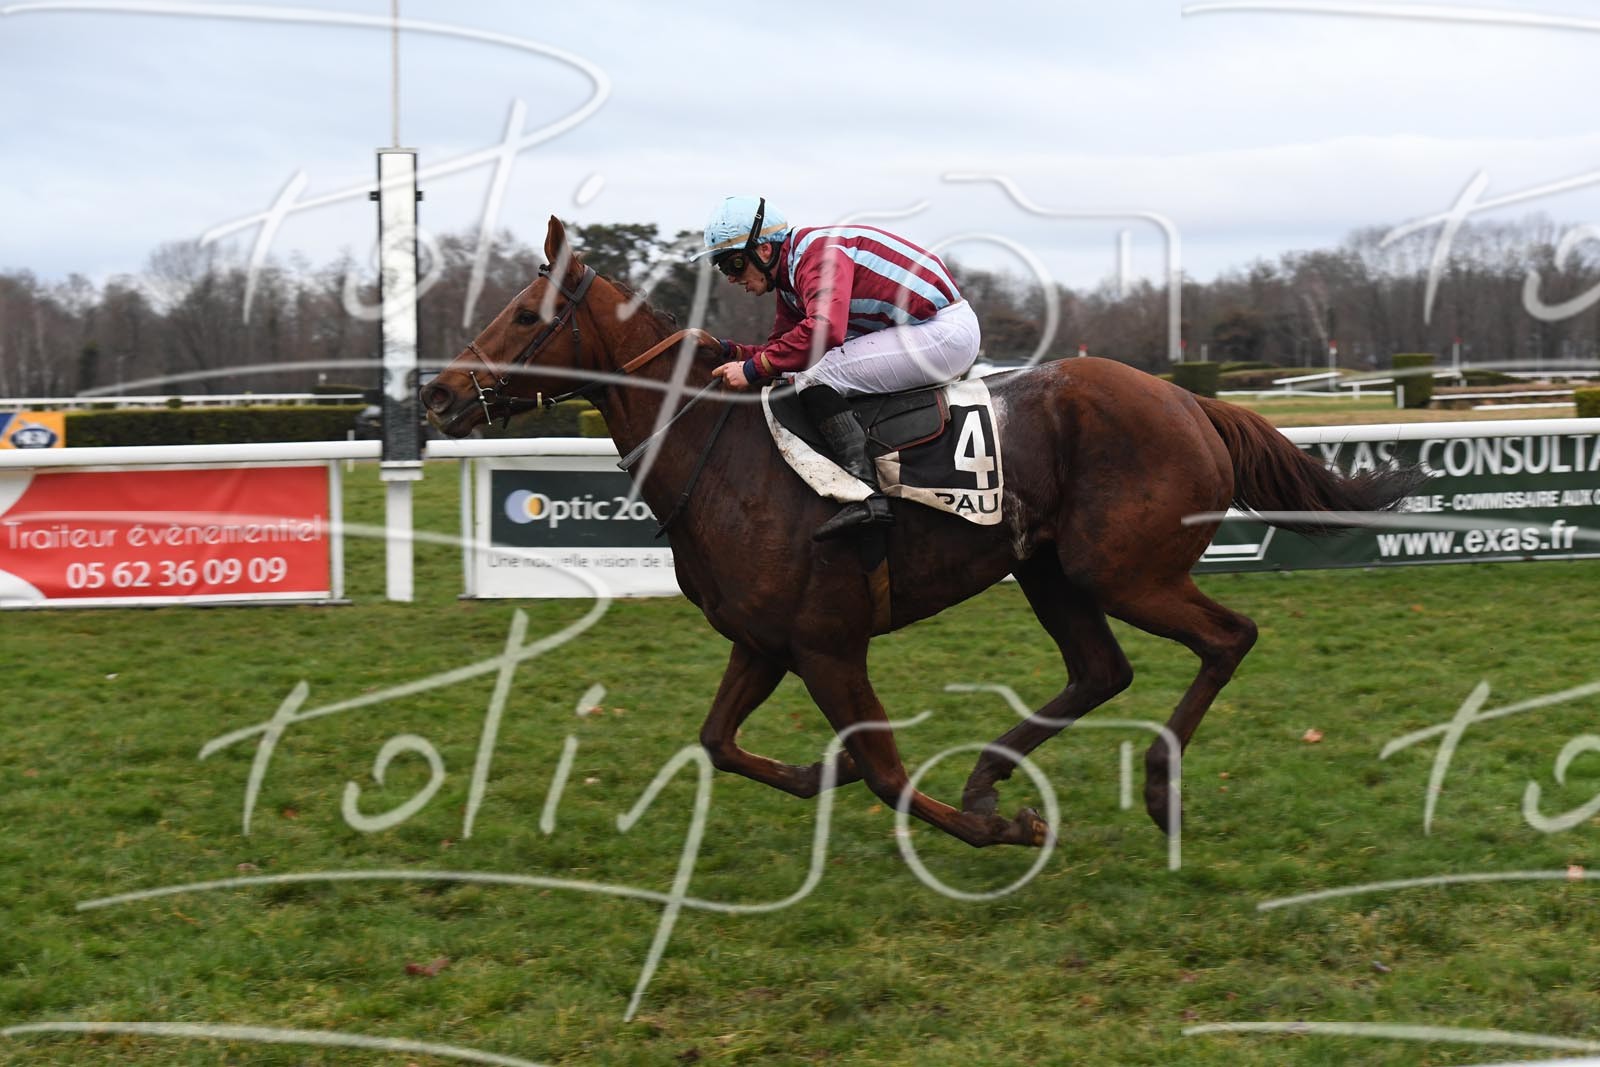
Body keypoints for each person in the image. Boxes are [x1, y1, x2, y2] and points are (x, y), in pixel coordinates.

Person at [694, 195, 981, 540]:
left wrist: (752, 370)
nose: (731, 278)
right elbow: (781, 351)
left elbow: (825, 330)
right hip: (924, 332)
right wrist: (730, 352)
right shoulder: (790, 280)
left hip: (942, 331)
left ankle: (865, 493)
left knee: (814, 375)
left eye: (735, 264)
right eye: (723, 269)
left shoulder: (815, 256)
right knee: (797, 370)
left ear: (765, 250)